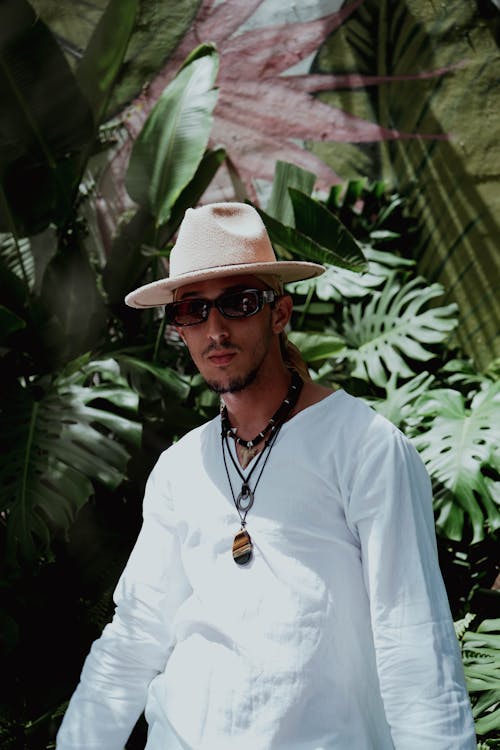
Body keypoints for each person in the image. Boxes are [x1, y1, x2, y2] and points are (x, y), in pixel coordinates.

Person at [56, 202, 476, 749]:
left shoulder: (364, 447)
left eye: (239, 302)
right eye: (192, 311)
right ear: (178, 329)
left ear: (280, 313)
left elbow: (412, 640)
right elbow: (137, 634)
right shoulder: (181, 467)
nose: (215, 329)